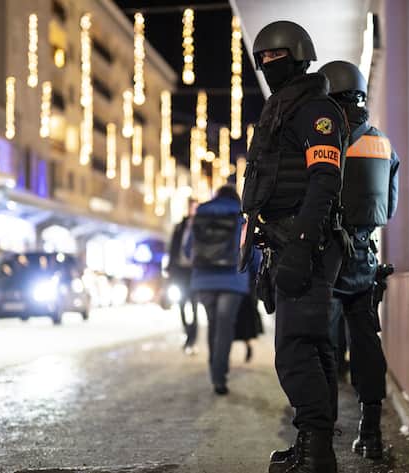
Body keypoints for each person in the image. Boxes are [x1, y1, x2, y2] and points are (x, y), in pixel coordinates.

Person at [239, 21, 348, 473]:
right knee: (312, 344)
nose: (266, 65)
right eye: (260, 58)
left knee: (296, 349)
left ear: (299, 55)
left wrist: (302, 244)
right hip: (289, 241)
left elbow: (325, 180)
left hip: (305, 243)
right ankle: (315, 446)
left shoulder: (314, 110)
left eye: (274, 56)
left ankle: (315, 454)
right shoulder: (286, 106)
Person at [318, 60, 400, 462]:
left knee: (324, 350)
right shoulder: (383, 144)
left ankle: (322, 440)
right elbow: (392, 205)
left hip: (327, 259)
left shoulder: (326, 140)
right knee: (367, 345)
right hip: (365, 260)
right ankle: (371, 434)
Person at [185, 185, 256, 395]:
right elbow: (249, 248)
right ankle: (219, 376)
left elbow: (188, 248)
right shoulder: (240, 213)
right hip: (232, 279)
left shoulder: (201, 212)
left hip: (204, 279)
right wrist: (252, 271)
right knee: (225, 327)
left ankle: (214, 369)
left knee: (213, 324)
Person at [166, 197, 200, 354]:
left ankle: (192, 338)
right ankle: (187, 331)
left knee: (193, 306)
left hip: (194, 271)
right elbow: (173, 247)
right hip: (180, 271)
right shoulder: (180, 226)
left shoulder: (202, 226)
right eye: (191, 207)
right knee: (180, 304)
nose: (193, 210)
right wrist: (169, 267)